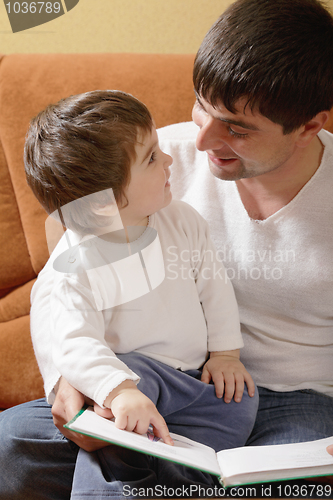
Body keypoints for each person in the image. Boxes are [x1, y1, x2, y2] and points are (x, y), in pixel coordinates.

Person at [1, 0, 333, 496]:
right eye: (201, 104)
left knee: (293, 487)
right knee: (10, 445)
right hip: (149, 377)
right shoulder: (145, 160)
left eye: (236, 128)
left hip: (295, 399)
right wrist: (68, 381)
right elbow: (63, 288)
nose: (199, 141)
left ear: (310, 125)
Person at [0, 89, 258, 499]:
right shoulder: (74, 264)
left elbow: (214, 286)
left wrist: (226, 353)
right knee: (98, 413)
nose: (170, 160)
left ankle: (177, 475)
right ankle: (117, 476)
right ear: (103, 205)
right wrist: (119, 391)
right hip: (126, 387)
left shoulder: (182, 220)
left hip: (191, 387)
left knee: (241, 403)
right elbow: (73, 341)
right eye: (153, 158)